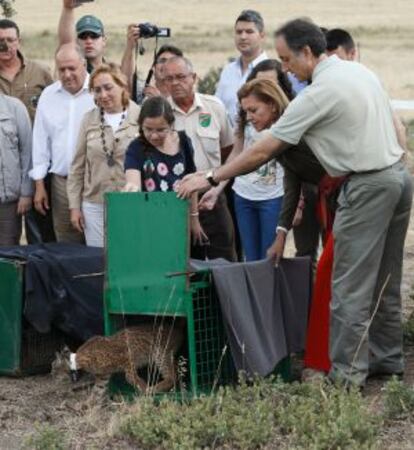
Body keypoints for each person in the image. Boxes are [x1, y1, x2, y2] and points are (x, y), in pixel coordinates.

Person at [177, 19, 412, 388]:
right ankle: (387, 360)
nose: (285, 68)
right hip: (397, 177)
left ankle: (347, 377)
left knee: (347, 287)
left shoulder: (317, 94)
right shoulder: (358, 71)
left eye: (287, 59)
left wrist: (211, 177)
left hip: (365, 186)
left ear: (307, 52)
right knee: (386, 277)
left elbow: (266, 148)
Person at [164, 56, 236, 261]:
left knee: (223, 259)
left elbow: (228, 150)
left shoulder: (214, 107)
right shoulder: (161, 112)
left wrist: (216, 185)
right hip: (177, 201)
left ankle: (223, 295)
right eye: (169, 78)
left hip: (211, 195)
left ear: (194, 77)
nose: (175, 83)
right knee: (185, 263)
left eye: (181, 77)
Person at [67, 63, 140, 247]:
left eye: (108, 88)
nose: (103, 95)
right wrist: (75, 206)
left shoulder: (140, 116)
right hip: (95, 203)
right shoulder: (88, 119)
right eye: (97, 90)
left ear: (122, 86)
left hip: (130, 203)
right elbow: (77, 167)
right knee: (98, 259)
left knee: (128, 253)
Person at [30, 44, 95, 243]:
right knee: (67, 245)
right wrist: (39, 185)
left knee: (99, 243)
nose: (66, 75)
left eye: (72, 68)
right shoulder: (48, 96)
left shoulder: (99, 91)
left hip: (94, 184)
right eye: (62, 69)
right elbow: (40, 143)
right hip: (62, 184)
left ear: (84, 65)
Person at [0, 19, 55, 244]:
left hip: (40, 163)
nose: (5, 45)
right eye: (0, 41)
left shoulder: (40, 72)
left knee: (39, 230)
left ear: (19, 41)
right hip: (8, 164)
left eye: (10, 40)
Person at [123, 96, 205, 244]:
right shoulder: (136, 147)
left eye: (161, 130)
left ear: (171, 124)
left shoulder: (184, 141)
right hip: (149, 220)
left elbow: (192, 182)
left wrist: (194, 218)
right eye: (148, 129)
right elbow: (133, 180)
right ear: (140, 125)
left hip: (179, 216)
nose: (153, 136)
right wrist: (132, 189)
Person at [215, 9, 268, 126]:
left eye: (249, 32)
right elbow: (218, 108)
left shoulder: (270, 71)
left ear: (262, 35)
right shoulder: (228, 70)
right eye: (239, 32)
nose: (243, 37)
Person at [0, 93, 32, 245]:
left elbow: (27, 152)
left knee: (8, 256)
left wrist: (26, 193)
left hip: (8, 203)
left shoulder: (15, 107)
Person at [121, 25, 184, 100]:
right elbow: (125, 80)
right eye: (162, 61)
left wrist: (159, 100)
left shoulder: (183, 96)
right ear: (153, 67)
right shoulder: (143, 92)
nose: (166, 65)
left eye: (171, 61)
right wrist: (130, 46)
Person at [58, 0, 106, 73]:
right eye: (83, 36)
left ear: (104, 40)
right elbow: (66, 44)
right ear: (76, 41)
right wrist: (67, 9)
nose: (89, 41)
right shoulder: (74, 73)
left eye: (94, 36)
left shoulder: (113, 71)